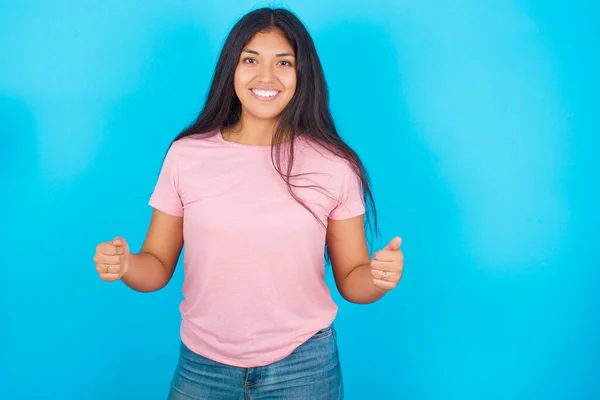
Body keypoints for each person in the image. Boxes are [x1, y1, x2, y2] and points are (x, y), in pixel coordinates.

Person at [93, 7, 404, 400]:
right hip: (202, 365)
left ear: (302, 74)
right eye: (251, 60)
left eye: (284, 62)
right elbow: (155, 268)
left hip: (303, 367)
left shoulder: (334, 166)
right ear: (231, 69)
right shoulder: (186, 156)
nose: (266, 77)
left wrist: (379, 279)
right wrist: (126, 265)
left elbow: (352, 281)